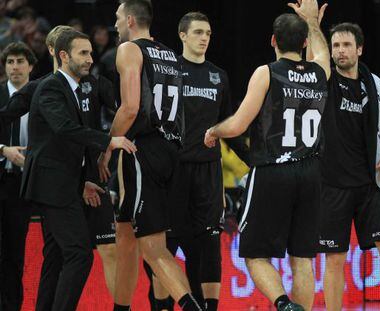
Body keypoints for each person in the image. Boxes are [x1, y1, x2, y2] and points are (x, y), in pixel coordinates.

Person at [204, 1, 330, 310]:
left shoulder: (266, 73)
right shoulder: (320, 72)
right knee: (302, 260)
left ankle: (285, 305)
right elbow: (323, 53)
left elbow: (238, 124)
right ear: (303, 43)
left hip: (273, 170)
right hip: (311, 172)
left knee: (253, 253)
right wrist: (313, 22)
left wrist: (213, 131)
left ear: (273, 40)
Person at [0, 24, 121, 304]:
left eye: (91, 52)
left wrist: (90, 174)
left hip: (73, 179)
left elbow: (109, 114)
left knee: (56, 255)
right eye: (84, 53)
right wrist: (109, 142)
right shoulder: (47, 86)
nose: (91, 58)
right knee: (78, 253)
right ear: (60, 54)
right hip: (51, 182)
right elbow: (60, 127)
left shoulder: (89, 85)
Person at [98, 1, 204, 310]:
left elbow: (131, 107)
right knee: (125, 233)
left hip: (144, 148)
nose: (115, 24)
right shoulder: (170, 54)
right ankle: (122, 307)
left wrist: (107, 144)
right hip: (171, 148)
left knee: (153, 249)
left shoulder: (130, 50)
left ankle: (191, 307)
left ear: (130, 20)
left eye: (118, 18)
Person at [150, 11, 249, 311]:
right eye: (198, 32)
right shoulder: (167, 71)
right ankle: (163, 307)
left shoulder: (219, 75)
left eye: (208, 33)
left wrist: (256, 161)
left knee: (207, 248)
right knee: (166, 246)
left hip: (208, 172)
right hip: (173, 172)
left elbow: (229, 127)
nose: (204, 38)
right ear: (182, 35)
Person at [314, 21, 380, 311]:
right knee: (335, 258)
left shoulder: (374, 84)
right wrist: (312, 23)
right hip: (333, 184)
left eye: (346, 45)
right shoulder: (325, 79)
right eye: (335, 45)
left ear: (359, 49)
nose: (340, 51)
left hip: (371, 183)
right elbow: (317, 50)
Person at [0, 42, 36, 311]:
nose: (14, 67)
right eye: (10, 61)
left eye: (19, 61)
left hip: (24, 184)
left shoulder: (41, 96)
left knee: (15, 250)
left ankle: (12, 306)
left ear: (31, 66)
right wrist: (3, 150)